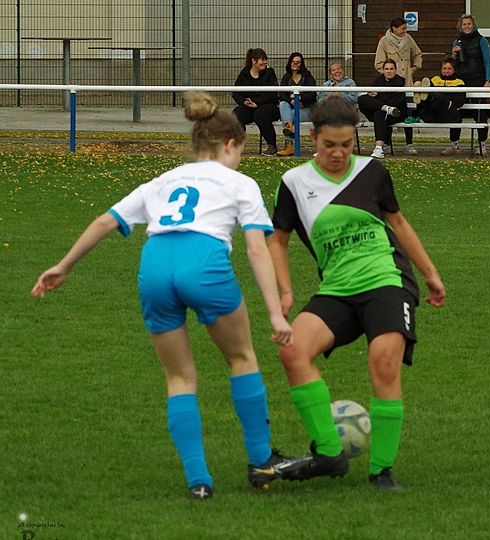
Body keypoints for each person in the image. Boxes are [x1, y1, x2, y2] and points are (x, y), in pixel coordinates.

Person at [31, 91, 306, 500]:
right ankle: (261, 461)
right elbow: (255, 248)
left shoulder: (164, 180)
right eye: (240, 152)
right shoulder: (240, 183)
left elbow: (106, 221)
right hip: (203, 262)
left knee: (179, 377)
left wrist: (64, 265)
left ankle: (198, 481)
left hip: (156, 265)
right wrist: (276, 313)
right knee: (241, 357)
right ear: (230, 145)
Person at [267, 95, 446, 492]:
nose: (338, 153)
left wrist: (430, 273)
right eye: (329, 145)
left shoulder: (372, 171)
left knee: (384, 362)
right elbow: (277, 240)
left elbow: (398, 222)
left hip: (387, 280)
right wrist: (285, 291)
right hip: (337, 288)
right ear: (313, 137)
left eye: (346, 144)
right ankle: (329, 454)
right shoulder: (294, 183)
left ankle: (382, 472)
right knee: (293, 352)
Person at [375, 17, 423, 155]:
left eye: (406, 28)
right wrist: (389, 73)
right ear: (394, 28)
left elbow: (417, 54)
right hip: (390, 84)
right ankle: (387, 143)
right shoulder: (384, 41)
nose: (405, 31)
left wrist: (414, 67)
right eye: (403, 28)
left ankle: (409, 143)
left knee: (408, 112)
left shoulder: (408, 39)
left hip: (407, 82)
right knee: (390, 110)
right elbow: (378, 63)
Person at [451, 14, 490, 155]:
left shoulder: (482, 40)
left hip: (477, 79)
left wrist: (488, 80)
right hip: (461, 80)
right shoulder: (457, 41)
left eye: (469, 24)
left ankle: (482, 144)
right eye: (464, 24)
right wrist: (454, 54)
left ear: (473, 25)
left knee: (480, 112)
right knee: (456, 111)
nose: (467, 26)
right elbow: (452, 63)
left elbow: (488, 61)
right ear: (460, 26)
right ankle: (454, 144)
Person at [412, 58, 466, 156]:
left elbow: (460, 101)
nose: (446, 71)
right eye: (444, 68)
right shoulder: (435, 80)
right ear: (441, 69)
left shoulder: (459, 82)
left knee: (438, 96)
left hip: (448, 114)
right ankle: (421, 95)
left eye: (449, 68)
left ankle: (423, 93)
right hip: (432, 114)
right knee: (432, 97)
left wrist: (448, 103)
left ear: (454, 70)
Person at [232, 48, 281, 156]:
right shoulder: (244, 73)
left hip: (269, 106)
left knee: (260, 114)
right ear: (253, 61)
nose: (265, 62)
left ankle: (272, 145)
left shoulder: (270, 72)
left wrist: (256, 102)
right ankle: (238, 144)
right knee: (236, 114)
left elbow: (272, 94)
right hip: (249, 107)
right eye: (262, 60)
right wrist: (244, 102)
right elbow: (236, 93)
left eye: (265, 59)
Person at [357, 58, 407, 159]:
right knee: (362, 99)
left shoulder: (399, 82)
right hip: (379, 111)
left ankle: (379, 148)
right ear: (383, 70)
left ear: (395, 70)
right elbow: (371, 95)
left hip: (395, 114)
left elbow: (396, 103)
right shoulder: (378, 80)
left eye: (391, 69)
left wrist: (378, 96)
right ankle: (386, 108)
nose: (389, 71)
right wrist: (371, 94)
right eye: (386, 69)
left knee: (379, 114)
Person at [277, 52, 318, 157]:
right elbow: (281, 94)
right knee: (283, 104)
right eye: (293, 61)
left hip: (306, 110)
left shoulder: (307, 76)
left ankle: (288, 144)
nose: (295, 64)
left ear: (301, 64)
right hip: (290, 108)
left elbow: (313, 95)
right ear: (289, 63)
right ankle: (289, 132)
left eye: (298, 62)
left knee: (287, 117)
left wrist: (299, 97)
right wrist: (290, 101)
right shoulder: (287, 77)